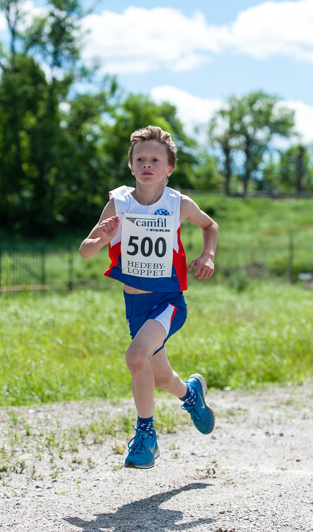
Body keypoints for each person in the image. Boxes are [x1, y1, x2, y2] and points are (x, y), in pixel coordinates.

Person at [79, 125, 219, 469]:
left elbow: (210, 225)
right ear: (131, 166)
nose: (147, 164)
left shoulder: (178, 204)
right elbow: (85, 251)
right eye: (140, 159)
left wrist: (208, 255)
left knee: (136, 355)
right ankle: (191, 395)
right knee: (161, 377)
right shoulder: (119, 203)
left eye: (155, 160)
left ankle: (146, 436)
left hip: (168, 301)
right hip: (136, 306)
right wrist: (103, 237)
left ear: (169, 168)